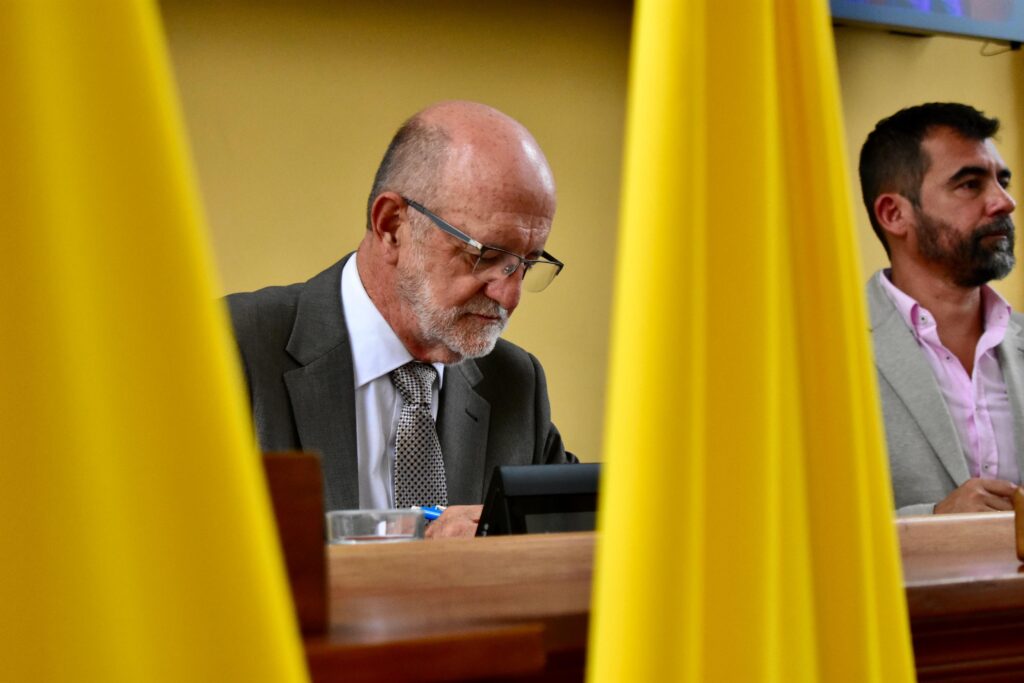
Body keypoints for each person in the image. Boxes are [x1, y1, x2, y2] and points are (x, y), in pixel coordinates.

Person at [227, 101, 575, 537]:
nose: (510, 296)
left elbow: (582, 533)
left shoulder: (515, 383)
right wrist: (408, 554)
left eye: (526, 264)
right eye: (486, 256)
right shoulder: (229, 346)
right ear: (392, 225)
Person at [859, 102, 1024, 515]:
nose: (1004, 202)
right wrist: (936, 522)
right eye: (970, 185)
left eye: (1002, 181)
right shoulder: (821, 354)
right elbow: (794, 523)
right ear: (894, 214)